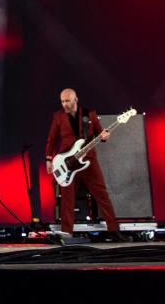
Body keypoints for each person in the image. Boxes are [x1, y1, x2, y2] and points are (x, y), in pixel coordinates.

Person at [45, 88, 127, 241]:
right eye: (62, 101)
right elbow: (52, 139)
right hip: (67, 162)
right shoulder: (58, 116)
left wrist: (105, 136)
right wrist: (49, 159)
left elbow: (101, 134)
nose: (64, 104)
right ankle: (67, 232)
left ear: (76, 99)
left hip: (88, 161)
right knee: (67, 199)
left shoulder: (90, 114)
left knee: (102, 195)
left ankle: (114, 230)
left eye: (67, 101)